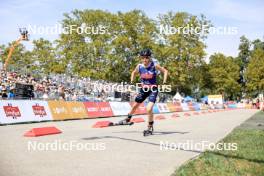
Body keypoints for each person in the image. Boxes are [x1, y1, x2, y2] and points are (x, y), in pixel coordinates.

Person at [119, 48, 168, 135]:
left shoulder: (154, 65)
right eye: (143, 57)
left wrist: (164, 82)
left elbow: (165, 71)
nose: (144, 59)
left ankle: (149, 127)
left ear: (150, 58)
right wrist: (131, 81)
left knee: (149, 109)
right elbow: (133, 73)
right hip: (144, 89)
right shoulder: (139, 66)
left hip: (153, 89)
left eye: (146, 57)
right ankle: (128, 119)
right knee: (135, 106)